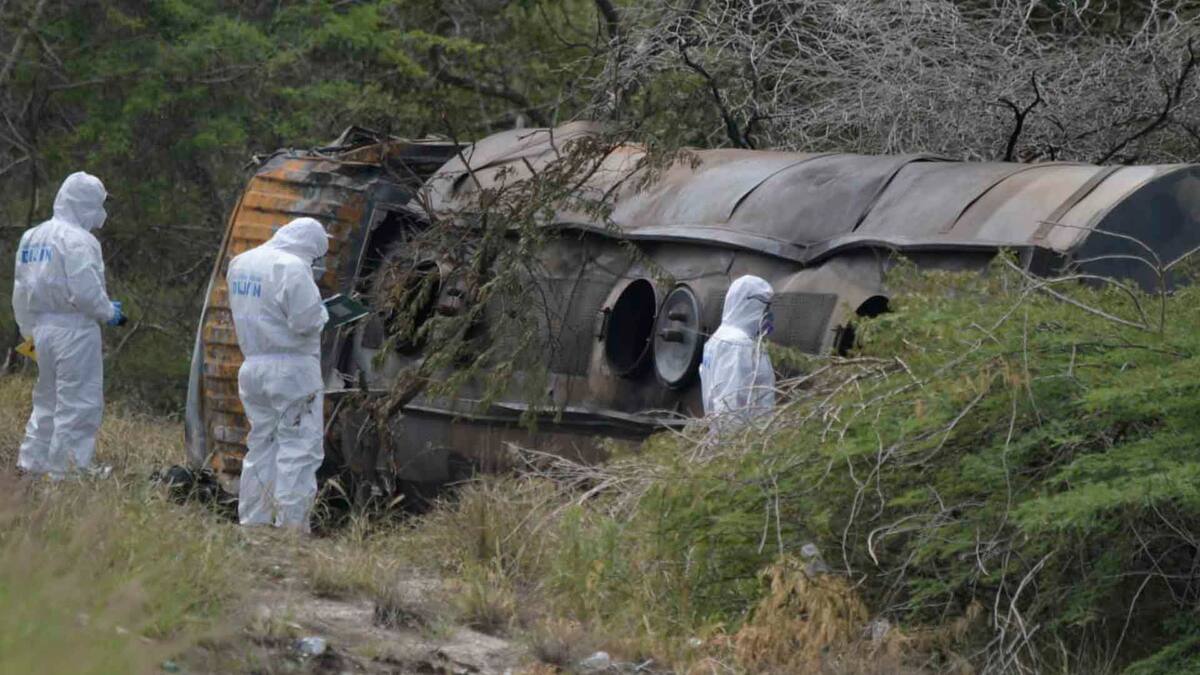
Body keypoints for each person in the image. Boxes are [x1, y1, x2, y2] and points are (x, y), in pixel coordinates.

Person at [12, 172, 125, 479]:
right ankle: (69, 472)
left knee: (47, 400)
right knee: (78, 402)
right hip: (75, 331)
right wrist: (109, 313)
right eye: (99, 204)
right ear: (86, 203)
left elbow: (20, 291)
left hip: (41, 330)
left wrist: (28, 333)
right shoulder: (79, 240)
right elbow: (86, 293)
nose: (102, 212)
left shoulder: (32, 237)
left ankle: (32, 463)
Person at [227, 216, 330, 532]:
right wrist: (326, 312)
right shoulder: (293, 268)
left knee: (262, 443)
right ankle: (291, 525)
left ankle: (254, 520)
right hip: (292, 369)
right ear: (311, 246)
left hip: (253, 366)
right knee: (299, 447)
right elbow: (306, 322)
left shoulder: (241, 263)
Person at [699, 275, 776, 431]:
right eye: (766, 307)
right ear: (752, 305)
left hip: (726, 436)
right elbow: (730, 404)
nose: (769, 314)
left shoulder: (719, 338)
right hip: (746, 438)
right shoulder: (738, 345)